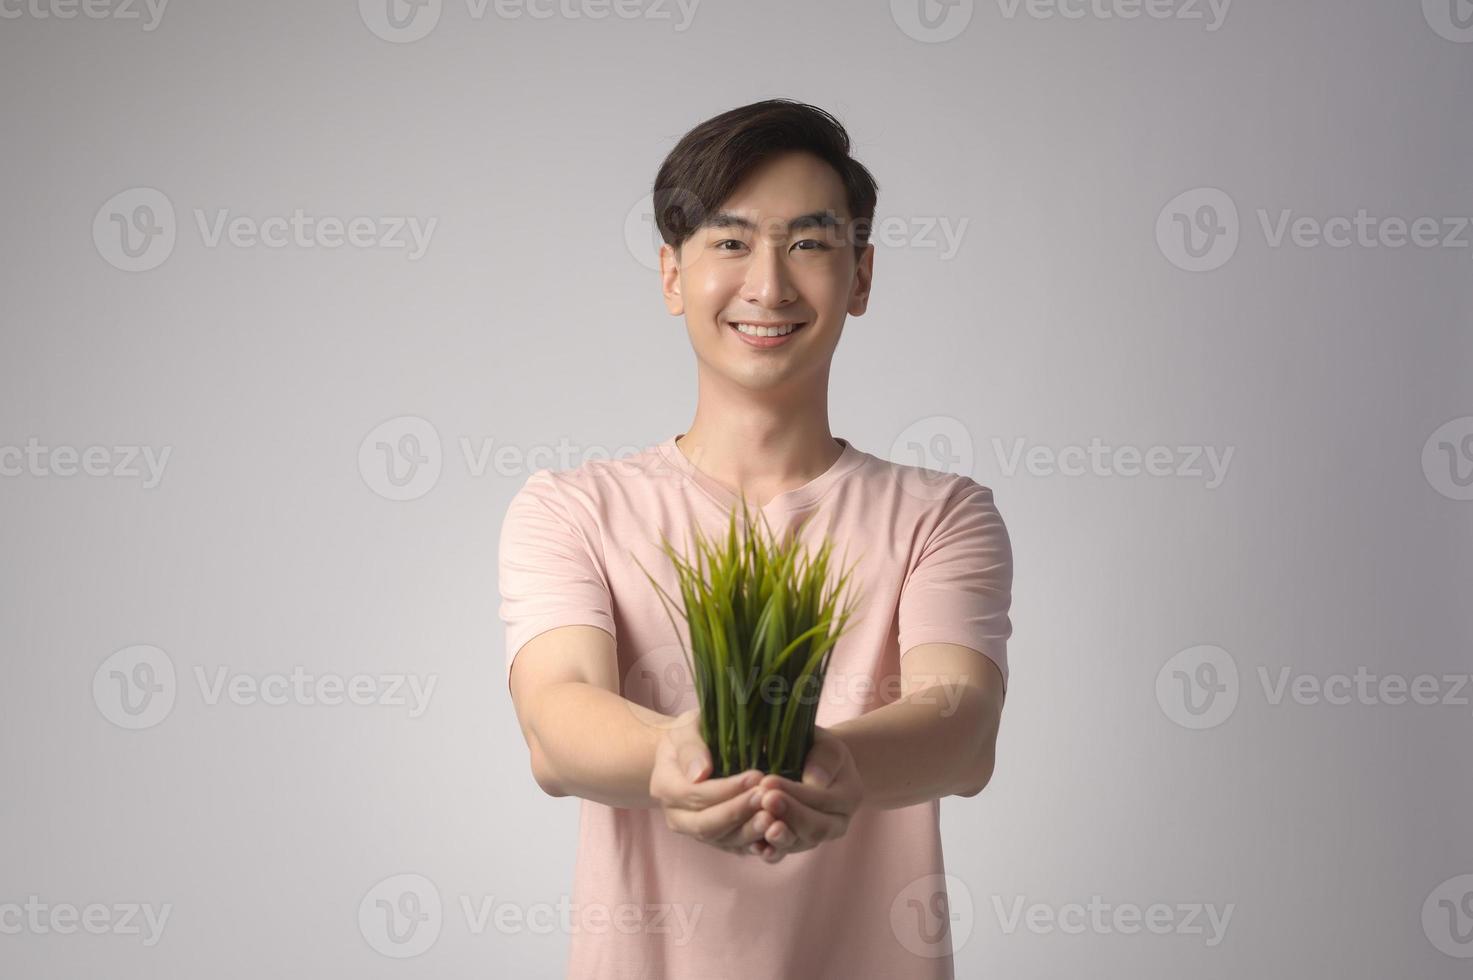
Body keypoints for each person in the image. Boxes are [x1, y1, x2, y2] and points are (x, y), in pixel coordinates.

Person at [498, 98, 1013, 979]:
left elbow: (961, 728)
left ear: (860, 276)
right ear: (671, 275)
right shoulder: (571, 509)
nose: (769, 286)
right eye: (730, 242)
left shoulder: (940, 514)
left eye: (809, 243)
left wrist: (837, 763)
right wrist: (672, 758)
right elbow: (555, 721)